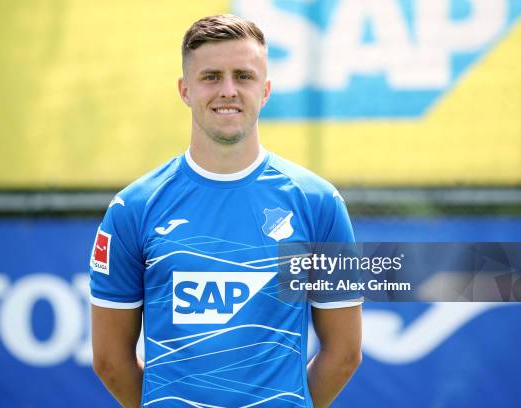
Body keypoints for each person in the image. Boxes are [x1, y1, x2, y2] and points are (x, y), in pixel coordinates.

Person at [90, 14, 362, 408]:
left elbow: (345, 352)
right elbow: (110, 362)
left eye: (244, 76)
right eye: (212, 76)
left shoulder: (319, 204)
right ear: (185, 90)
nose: (228, 91)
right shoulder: (133, 209)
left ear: (265, 90)